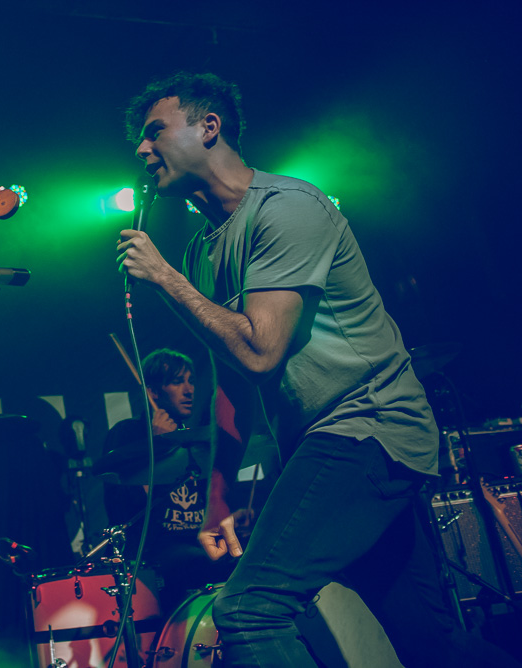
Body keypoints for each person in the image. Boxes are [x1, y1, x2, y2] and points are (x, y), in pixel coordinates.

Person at [117, 72, 519, 667]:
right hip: (324, 446)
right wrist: (222, 494)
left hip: (368, 427)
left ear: (209, 127)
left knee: (247, 609)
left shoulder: (287, 209)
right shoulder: (200, 251)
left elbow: (259, 350)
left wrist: (166, 282)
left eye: (155, 132)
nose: (142, 151)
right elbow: (233, 380)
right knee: (430, 643)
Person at [99, 347, 244, 612]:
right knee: (193, 560)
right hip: (155, 552)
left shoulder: (194, 439)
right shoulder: (128, 433)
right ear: (153, 392)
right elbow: (122, 507)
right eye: (178, 382)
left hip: (200, 544)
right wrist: (157, 445)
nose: (189, 390)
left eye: (191, 381)